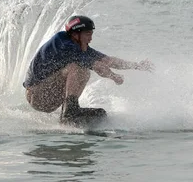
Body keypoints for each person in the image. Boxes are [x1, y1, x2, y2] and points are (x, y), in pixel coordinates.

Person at [23, 15, 154, 126]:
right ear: (75, 34)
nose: (91, 38)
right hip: (38, 95)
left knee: (83, 69)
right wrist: (114, 76)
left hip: (49, 96)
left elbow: (107, 60)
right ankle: (69, 113)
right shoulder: (63, 44)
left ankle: (69, 111)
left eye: (91, 34)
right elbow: (97, 66)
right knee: (79, 69)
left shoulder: (77, 45)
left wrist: (137, 65)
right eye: (87, 34)